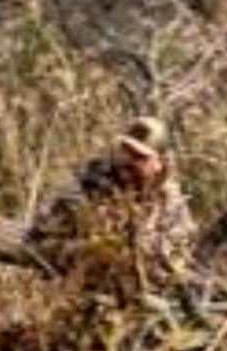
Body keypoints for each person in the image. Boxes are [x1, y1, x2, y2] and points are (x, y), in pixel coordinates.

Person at [28, 114, 196, 295]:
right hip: (82, 296)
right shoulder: (84, 189)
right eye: (125, 150)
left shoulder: (170, 201)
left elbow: (183, 257)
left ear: (159, 163)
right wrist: (89, 253)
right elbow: (37, 246)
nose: (127, 160)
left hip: (149, 300)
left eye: (139, 157)